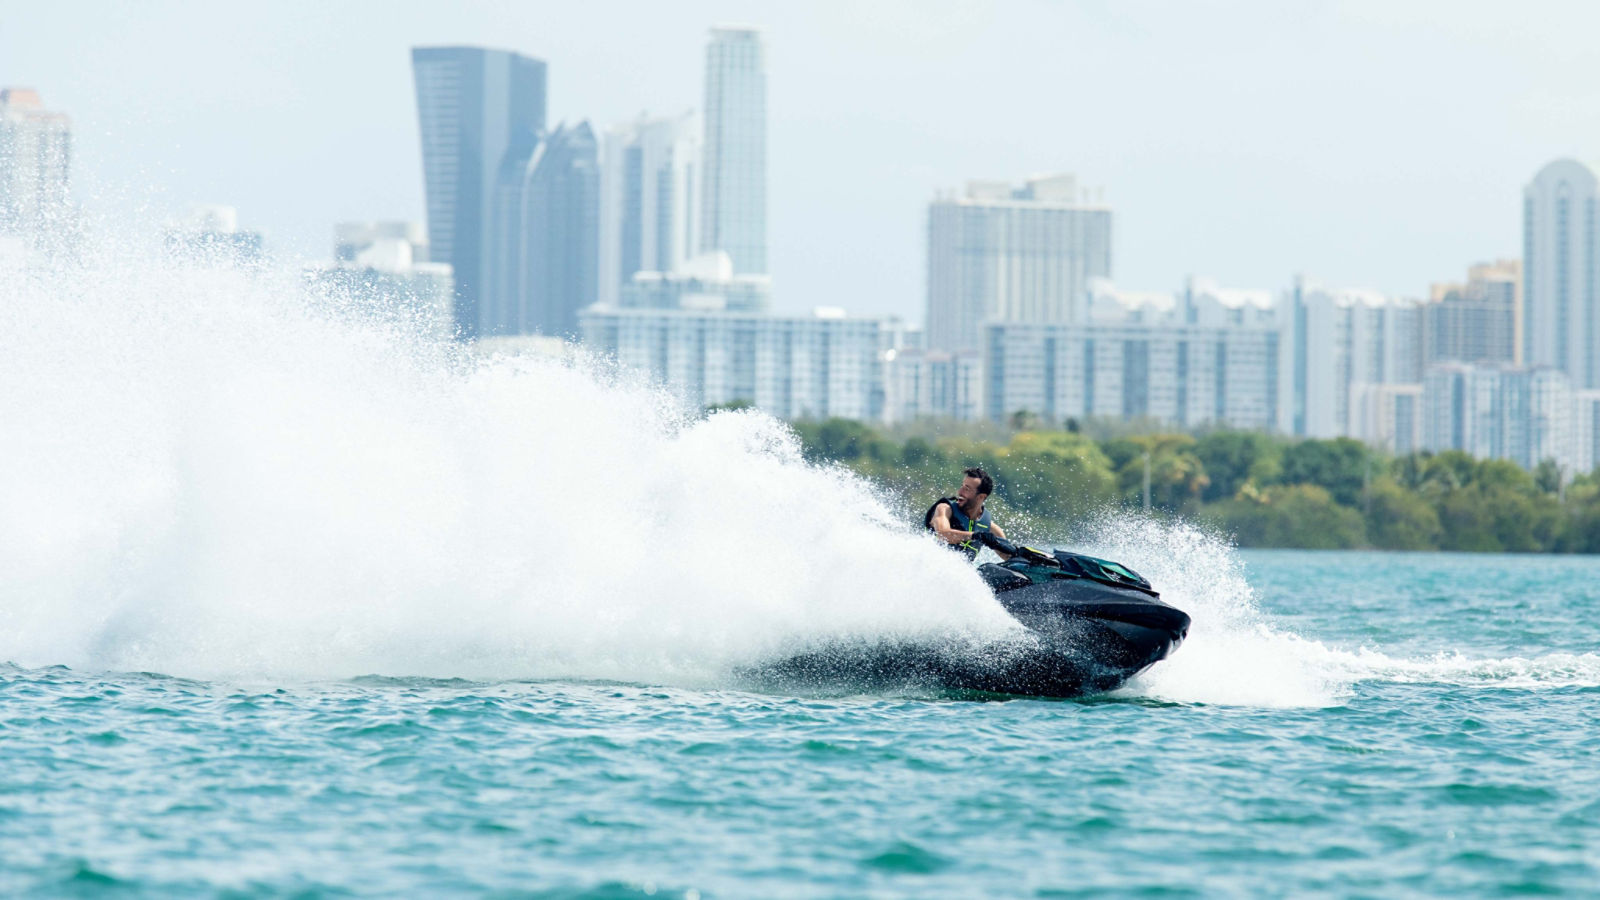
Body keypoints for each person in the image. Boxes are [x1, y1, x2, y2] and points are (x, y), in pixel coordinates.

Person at [925, 467, 1013, 562]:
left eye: (966, 489)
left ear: (981, 497)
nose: (960, 492)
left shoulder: (990, 528)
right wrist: (976, 536)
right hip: (929, 567)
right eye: (962, 486)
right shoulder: (944, 509)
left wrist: (1021, 555)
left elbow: (1008, 556)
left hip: (961, 571)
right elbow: (943, 534)